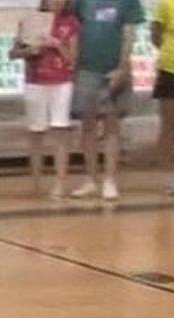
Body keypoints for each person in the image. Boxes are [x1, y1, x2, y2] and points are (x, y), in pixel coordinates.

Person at [68, 0, 144, 200]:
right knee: (88, 126)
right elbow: (74, 31)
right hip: (86, 69)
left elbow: (129, 35)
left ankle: (110, 180)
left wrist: (122, 67)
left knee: (112, 125)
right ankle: (90, 179)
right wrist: (73, 67)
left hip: (113, 69)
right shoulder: (80, 2)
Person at [9, 0, 79, 198]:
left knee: (60, 130)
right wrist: (29, 51)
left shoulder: (70, 22)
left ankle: (60, 182)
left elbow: (73, 59)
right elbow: (13, 52)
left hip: (61, 82)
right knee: (36, 132)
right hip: (36, 82)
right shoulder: (32, 20)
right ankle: (36, 182)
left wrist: (57, 45)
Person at [152, 0, 174, 195]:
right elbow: (155, 34)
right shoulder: (168, 3)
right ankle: (170, 177)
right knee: (169, 124)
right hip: (171, 70)